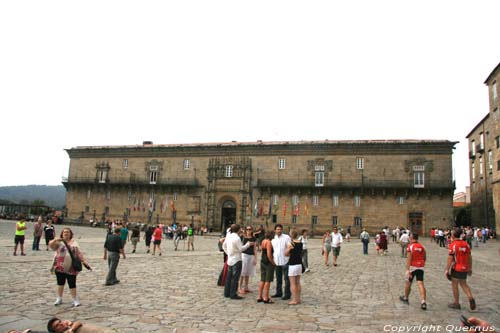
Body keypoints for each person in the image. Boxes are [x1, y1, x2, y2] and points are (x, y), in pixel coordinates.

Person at [49, 227, 90, 307]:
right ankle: (59, 298)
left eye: (68, 232)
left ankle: (75, 299)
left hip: (71, 267)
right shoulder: (58, 243)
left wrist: (84, 261)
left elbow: (78, 253)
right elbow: (51, 245)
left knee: (72, 283)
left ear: (71, 234)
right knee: (60, 283)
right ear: (62, 234)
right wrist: (55, 240)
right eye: (64, 232)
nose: (66, 233)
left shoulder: (74, 243)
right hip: (60, 266)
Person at [446, 229, 476, 310]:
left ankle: (456, 303)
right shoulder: (466, 244)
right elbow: (470, 257)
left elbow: (450, 258)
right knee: (464, 284)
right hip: (464, 267)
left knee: (454, 285)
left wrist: (447, 269)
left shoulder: (453, 244)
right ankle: (470, 297)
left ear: (453, 235)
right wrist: (470, 268)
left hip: (456, 267)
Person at [222, 224, 254, 299]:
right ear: (238, 229)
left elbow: (224, 246)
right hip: (237, 259)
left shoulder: (229, 236)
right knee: (235, 278)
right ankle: (233, 294)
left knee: (229, 277)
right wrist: (248, 244)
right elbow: (241, 249)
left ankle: (227, 293)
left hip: (230, 259)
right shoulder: (237, 238)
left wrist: (228, 253)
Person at [399, 233, 427, 310]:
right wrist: (421, 263)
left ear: (411, 238)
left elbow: (409, 259)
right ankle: (423, 301)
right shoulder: (422, 246)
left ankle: (406, 297)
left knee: (408, 283)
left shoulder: (410, 247)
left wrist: (407, 269)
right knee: (420, 283)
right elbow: (424, 257)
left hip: (412, 267)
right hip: (420, 267)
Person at [271, 224, 292, 300]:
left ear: (282, 230)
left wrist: (287, 251)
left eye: (280, 229)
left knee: (286, 279)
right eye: (277, 229)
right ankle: (278, 292)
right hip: (277, 261)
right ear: (275, 230)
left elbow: (290, 246)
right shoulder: (273, 239)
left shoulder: (286, 237)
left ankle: (287, 294)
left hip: (285, 261)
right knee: (278, 278)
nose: (279, 230)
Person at [257, 230, 275, 303]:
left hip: (263, 261)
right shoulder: (269, 242)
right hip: (268, 262)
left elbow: (262, 251)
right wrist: (273, 262)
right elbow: (269, 254)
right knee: (268, 280)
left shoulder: (263, 241)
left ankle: (259, 296)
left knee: (262, 279)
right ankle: (266, 297)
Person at [285, 230, 303, 305]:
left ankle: (294, 299)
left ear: (291, 235)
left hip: (293, 264)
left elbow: (286, 254)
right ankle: (298, 298)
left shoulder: (291, 243)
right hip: (299, 263)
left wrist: (288, 249)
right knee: (298, 282)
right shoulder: (300, 243)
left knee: (292, 283)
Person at [239, 225, 256, 294]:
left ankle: (246, 287)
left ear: (252, 230)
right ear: (245, 230)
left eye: (250, 229)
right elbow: (240, 247)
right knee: (242, 272)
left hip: (251, 256)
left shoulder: (253, 238)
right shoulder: (243, 237)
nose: (248, 231)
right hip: (244, 255)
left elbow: (254, 249)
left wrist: (255, 258)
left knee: (248, 272)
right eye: (247, 229)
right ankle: (239, 287)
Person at [47, 317, 119, 333]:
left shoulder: (70, 328)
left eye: (60, 322)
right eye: (57, 325)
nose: (61, 324)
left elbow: (79, 323)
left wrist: (71, 324)